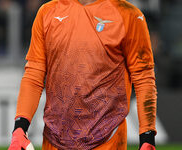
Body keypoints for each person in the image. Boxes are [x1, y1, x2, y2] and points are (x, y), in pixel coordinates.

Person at [8, 0, 157, 149]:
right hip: (54, 140)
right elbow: (34, 73)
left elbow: (143, 77)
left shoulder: (128, 15)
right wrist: (20, 127)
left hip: (107, 140)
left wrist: (147, 136)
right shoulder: (47, 12)